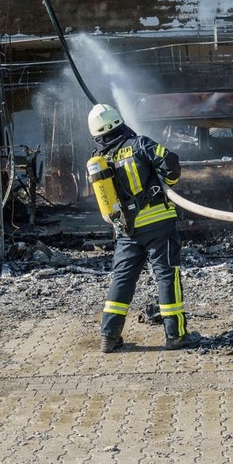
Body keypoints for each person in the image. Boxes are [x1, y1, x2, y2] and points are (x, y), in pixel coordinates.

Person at [88, 103, 202, 353]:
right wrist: (168, 182)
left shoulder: (100, 161)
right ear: (119, 122)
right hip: (158, 223)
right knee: (166, 275)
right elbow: (169, 160)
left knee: (122, 279)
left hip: (127, 231)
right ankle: (176, 335)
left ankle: (109, 336)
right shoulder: (139, 144)